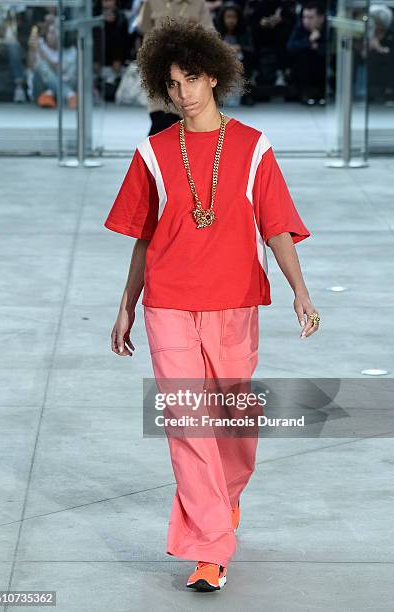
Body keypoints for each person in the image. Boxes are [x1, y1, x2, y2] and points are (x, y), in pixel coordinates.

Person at [103, 16, 320, 593]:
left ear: (214, 78)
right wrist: (127, 304)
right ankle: (208, 548)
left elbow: (275, 227)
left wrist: (300, 291)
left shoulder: (252, 147)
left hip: (234, 301)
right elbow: (144, 237)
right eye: (172, 85)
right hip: (168, 302)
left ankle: (223, 500)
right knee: (186, 424)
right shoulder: (153, 153)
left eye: (192, 80)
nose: (183, 93)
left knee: (233, 425)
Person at [136, 0, 214, 135]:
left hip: (187, 66)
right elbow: (144, 28)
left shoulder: (198, 3)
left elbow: (209, 33)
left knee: (182, 119)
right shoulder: (152, 2)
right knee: (160, 119)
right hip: (159, 66)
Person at [286, 1, 327, 105]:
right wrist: (309, 42)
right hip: (304, 67)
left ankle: (322, 92)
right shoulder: (300, 26)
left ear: (321, 18)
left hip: (323, 66)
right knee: (301, 55)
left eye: (310, 17)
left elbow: (333, 49)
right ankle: (304, 93)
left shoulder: (328, 28)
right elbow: (290, 46)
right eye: (304, 17)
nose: (306, 21)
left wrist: (318, 47)